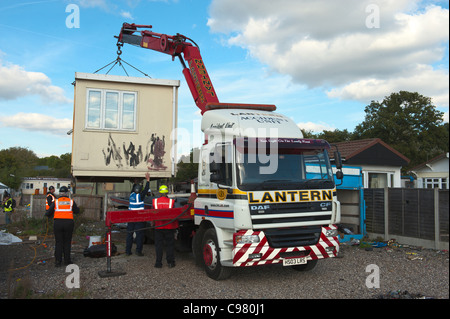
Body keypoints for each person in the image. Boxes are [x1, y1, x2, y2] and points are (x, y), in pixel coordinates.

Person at [46, 186, 79, 267]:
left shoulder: (56, 202)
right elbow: (77, 211)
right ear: (67, 193)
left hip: (58, 223)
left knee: (58, 242)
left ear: (60, 193)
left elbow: (48, 213)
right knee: (67, 242)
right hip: (69, 223)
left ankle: (58, 261)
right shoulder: (71, 201)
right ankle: (67, 260)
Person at [152, 185, 178, 268]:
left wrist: (152, 223)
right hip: (169, 227)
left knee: (158, 245)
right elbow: (174, 215)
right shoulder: (171, 202)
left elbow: (153, 214)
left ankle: (158, 263)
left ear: (160, 192)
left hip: (158, 227)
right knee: (169, 245)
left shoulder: (155, 201)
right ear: (167, 192)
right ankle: (170, 262)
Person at [126, 172, 150, 256]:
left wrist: (135, 182)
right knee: (139, 235)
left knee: (129, 234)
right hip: (139, 218)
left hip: (130, 217)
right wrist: (148, 180)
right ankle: (138, 251)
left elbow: (133, 188)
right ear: (140, 191)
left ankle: (128, 251)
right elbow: (146, 190)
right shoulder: (140, 196)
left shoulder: (131, 195)